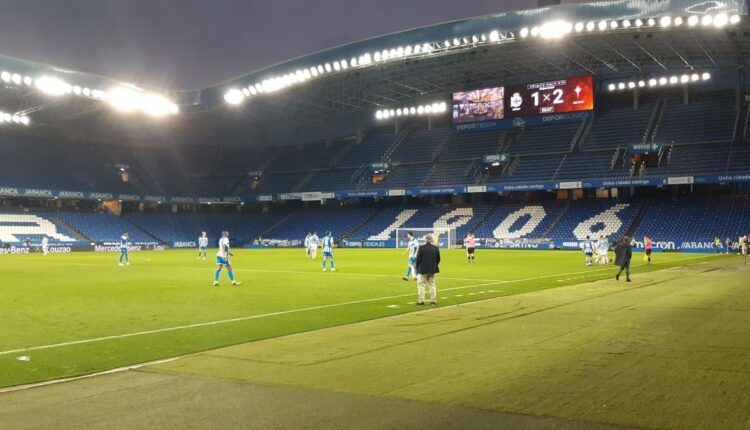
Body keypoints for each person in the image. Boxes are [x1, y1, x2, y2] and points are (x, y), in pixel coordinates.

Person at [415, 234, 440, 305]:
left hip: (423, 270)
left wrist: (417, 267)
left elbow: (418, 259)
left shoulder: (421, 248)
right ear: (431, 240)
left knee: (421, 285)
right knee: (432, 284)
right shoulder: (435, 248)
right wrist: (434, 265)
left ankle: (421, 300)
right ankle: (433, 300)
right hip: (432, 270)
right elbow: (438, 259)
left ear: (425, 240)